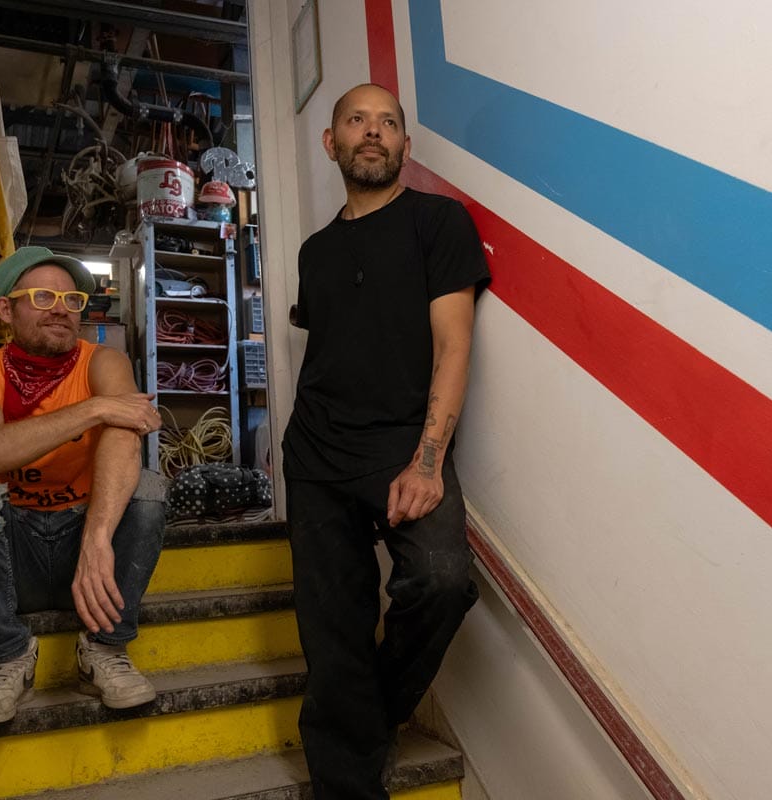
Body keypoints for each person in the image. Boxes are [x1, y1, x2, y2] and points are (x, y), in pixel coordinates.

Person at [282, 83, 490, 799]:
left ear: (405, 144)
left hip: (403, 444)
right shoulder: (315, 251)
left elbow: (453, 348)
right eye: (356, 121)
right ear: (330, 141)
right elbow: (334, 352)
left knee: (440, 579)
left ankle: (372, 716)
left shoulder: (439, 224)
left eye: (388, 123)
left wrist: (427, 461)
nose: (373, 132)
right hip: (315, 454)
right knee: (331, 627)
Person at [0, 246, 167, 724]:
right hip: (14, 554)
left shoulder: (104, 361)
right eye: (42, 296)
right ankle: (7, 656)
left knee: (148, 486)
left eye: (72, 299)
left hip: (85, 557)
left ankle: (104, 650)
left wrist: (97, 538)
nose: (61, 309)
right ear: (6, 309)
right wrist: (94, 408)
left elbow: (125, 439)